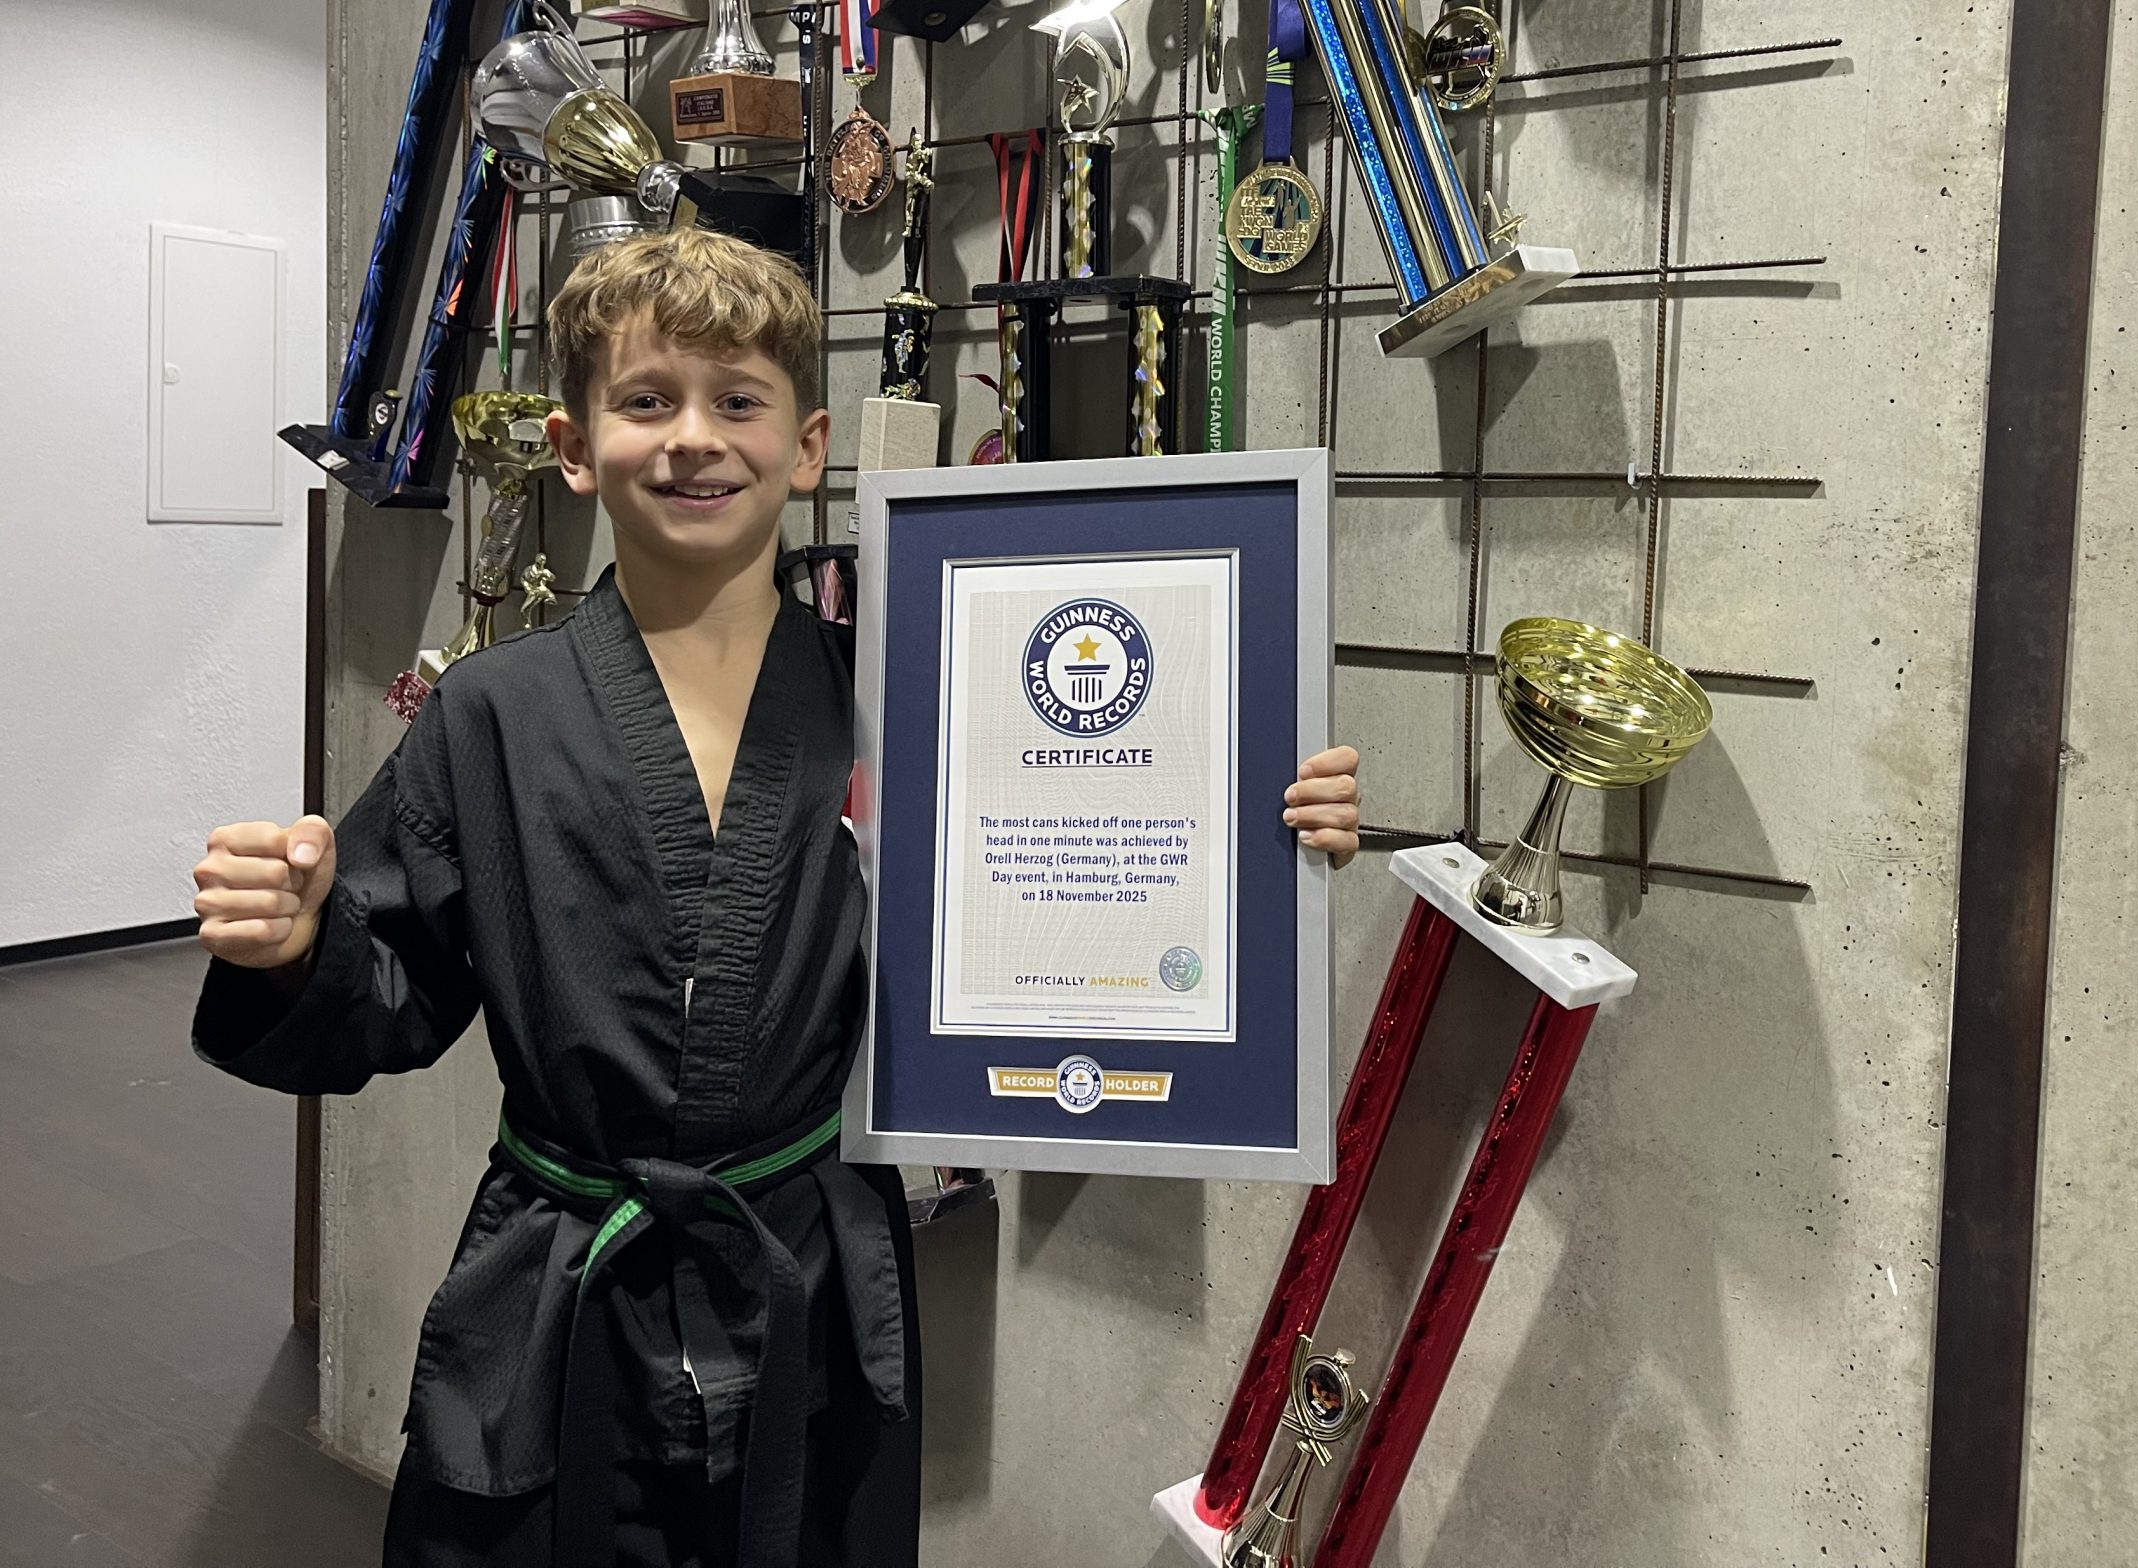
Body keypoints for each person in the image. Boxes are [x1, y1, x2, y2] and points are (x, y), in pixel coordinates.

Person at [188, 229, 1363, 1568]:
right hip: (564, 1288)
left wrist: (1258, 831)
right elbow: (386, 992)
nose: (695, 437)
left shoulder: (911, 694)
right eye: (647, 400)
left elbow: (1087, 848)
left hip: (807, 1279)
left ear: (807, 448)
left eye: (737, 400)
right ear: (573, 447)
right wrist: (297, 944)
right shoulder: (491, 711)